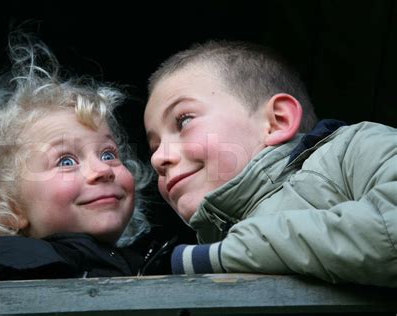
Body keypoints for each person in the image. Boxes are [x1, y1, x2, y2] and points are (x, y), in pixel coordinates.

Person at [143, 40, 397, 287]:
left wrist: (222, 256)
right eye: (154, 146)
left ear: (277, 120)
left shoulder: (354, 148)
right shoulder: (207, 252)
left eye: (184, 121)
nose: (157, 159)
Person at [0, 33, 169, 281]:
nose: (102, 170)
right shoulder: (18, 276)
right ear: (8, 209)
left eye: (108, 154)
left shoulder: (151, 259)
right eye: (66, 161)